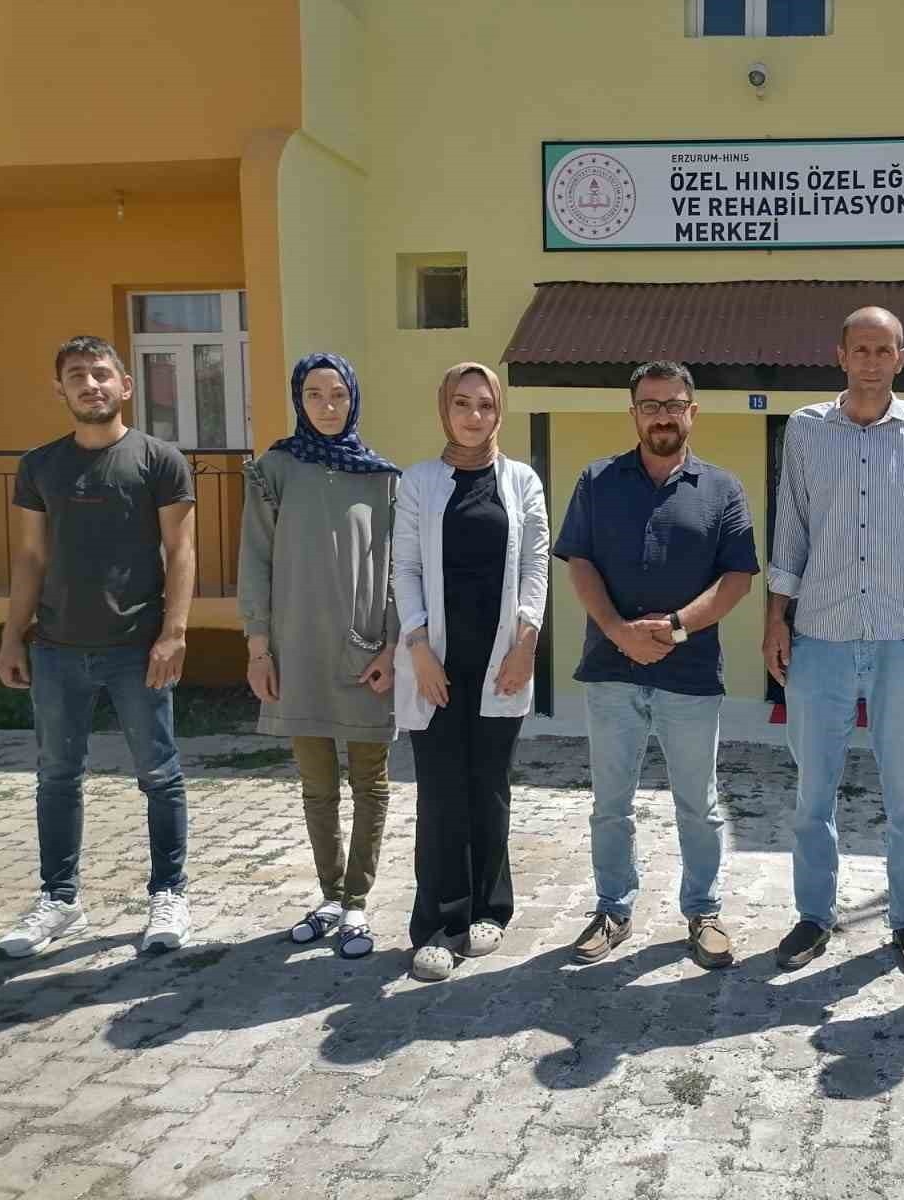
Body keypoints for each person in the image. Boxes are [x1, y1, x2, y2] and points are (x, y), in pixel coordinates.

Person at [763, 306, 904, 982]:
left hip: (902, 639)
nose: (872, 361)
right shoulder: (806, 430)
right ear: (841, 355)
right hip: (820, 636)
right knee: (812, 793)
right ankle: (813, 916)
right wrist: (776, 617)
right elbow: (791, 527)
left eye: (885, 350)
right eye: (861, 349)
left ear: (901, 358)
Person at [553, 361, 759, 970]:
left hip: (689, 674)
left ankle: (704, 912)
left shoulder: (723, 489)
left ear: (692, 412)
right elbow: (580, 563)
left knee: (699, 805)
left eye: (673, 404)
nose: (662, 416)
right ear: (634, 413)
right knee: (611, 804)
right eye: (650, 405)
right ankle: (613, 908)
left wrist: (676, 627)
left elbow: (738, 577)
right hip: (610, 669)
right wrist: (618, 632)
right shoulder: (597, 481)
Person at [0, 335, 196, 956]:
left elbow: (181, 551)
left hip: (138, 647)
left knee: (159, 775)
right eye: (77, 374)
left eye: (101, 373)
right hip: (56, 648)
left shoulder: (159, 460)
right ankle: (60, 900)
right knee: (56, 776)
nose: (90, 383)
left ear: (125, 385)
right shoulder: (40, 465)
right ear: (60, 388)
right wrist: (11, 636)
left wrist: (174, 633)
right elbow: (31, 557)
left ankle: (170, 893)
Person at [238, 352, 401, 960]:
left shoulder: (382, 477)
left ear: (354, 398)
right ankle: (330, 896)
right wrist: (259, 648)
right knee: (317, 785)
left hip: (365, 653)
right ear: (298, 400)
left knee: (370, 783)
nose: (328, 406)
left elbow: (397, 568)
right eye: (314, 394)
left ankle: (358, 901)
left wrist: (393, 644)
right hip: (296, 651)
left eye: (338, 394)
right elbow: (255, 560)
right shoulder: (274, 470)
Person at [393, 362, 549, 983]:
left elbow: (535, 565)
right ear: (444, 409)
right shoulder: (419, 482)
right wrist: (418, 648)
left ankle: (490, 909)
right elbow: (405, 567)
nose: (474, 415)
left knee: (489, 787)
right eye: (462, 403)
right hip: (436, 661)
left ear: (498, 411)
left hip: (500, 661)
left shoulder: (521, 481)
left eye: (485, 404)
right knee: (440, 793)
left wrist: (526, 643)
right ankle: (438, 925)